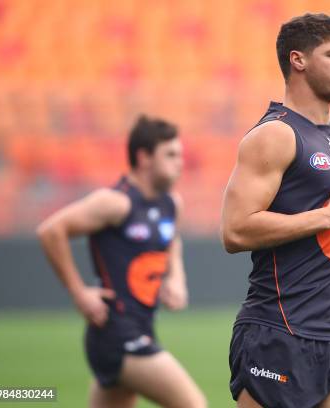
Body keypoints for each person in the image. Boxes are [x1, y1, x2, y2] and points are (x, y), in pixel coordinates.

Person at [221, 13, 330, 408]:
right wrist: (329, 216)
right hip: (278, 334)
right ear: (299, 61)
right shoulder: (274, 135)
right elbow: (236, 231)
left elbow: (325, 233)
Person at [37, 116, 207, 408]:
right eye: (170, 155)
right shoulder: (115, 202)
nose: (179, 162)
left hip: (140, 327)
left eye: (179, 154)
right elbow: (51, 231)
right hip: (117, 334)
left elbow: (173, 240)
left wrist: (175, 278)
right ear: (143, 157)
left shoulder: (171, 203)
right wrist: (79, 293)